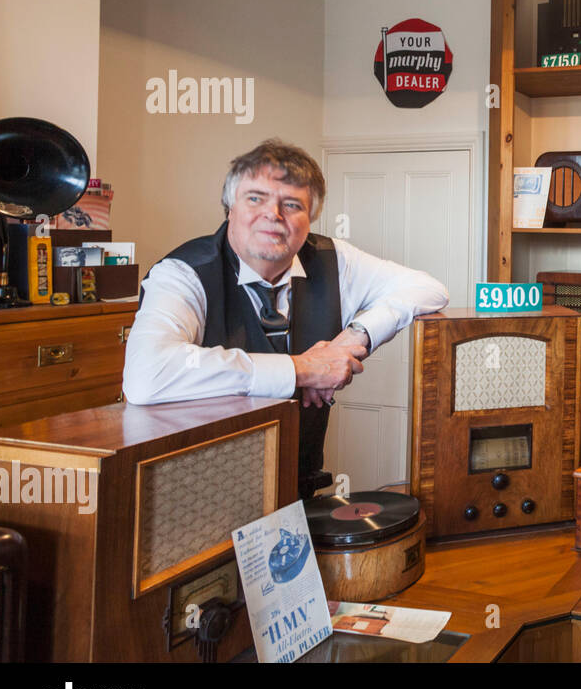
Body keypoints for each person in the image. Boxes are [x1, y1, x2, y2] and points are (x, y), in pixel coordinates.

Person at [123, 139, 449, 497]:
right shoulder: (182, 273)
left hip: (300, 490)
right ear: (230, 207)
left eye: (291, 204)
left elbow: (430, 288)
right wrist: (302, 369)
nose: (272, 214)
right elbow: (145, 376)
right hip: (201, 499)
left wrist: (355, 337)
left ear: (309, 219)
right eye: (255, 198)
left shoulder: (332, 259)